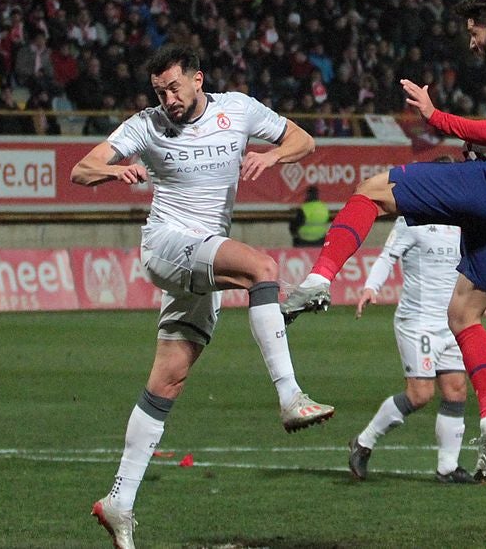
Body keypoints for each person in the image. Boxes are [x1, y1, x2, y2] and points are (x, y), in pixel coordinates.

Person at [282, 0, 486, 482]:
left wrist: (436, 117)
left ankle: (318, 281)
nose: (473, 44)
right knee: (463, 315)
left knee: (372, 191)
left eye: (475, 34)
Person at [70, 45, 333, 549]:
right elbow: (82, 168)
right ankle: (289, 396)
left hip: (202, 260)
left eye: (173, 87)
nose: (167, 98)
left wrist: (274, 153)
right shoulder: (145, 124)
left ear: (197, 79)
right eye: (159, 90)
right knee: (262, 269)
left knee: (169, 379)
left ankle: (118, 502)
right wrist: (113, 170)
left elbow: (304, 139)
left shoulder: (238, 108)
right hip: (168, 245)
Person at [350, 196, 486, 484]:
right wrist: (370, 287)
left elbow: (477, 267)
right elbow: (387, 257)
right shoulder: (411, 222)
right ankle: (363, 443)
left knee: (456, 390)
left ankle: (447, 468)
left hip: (453, 321)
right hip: (418, 323)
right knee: (420, 395)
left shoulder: (464, 225)